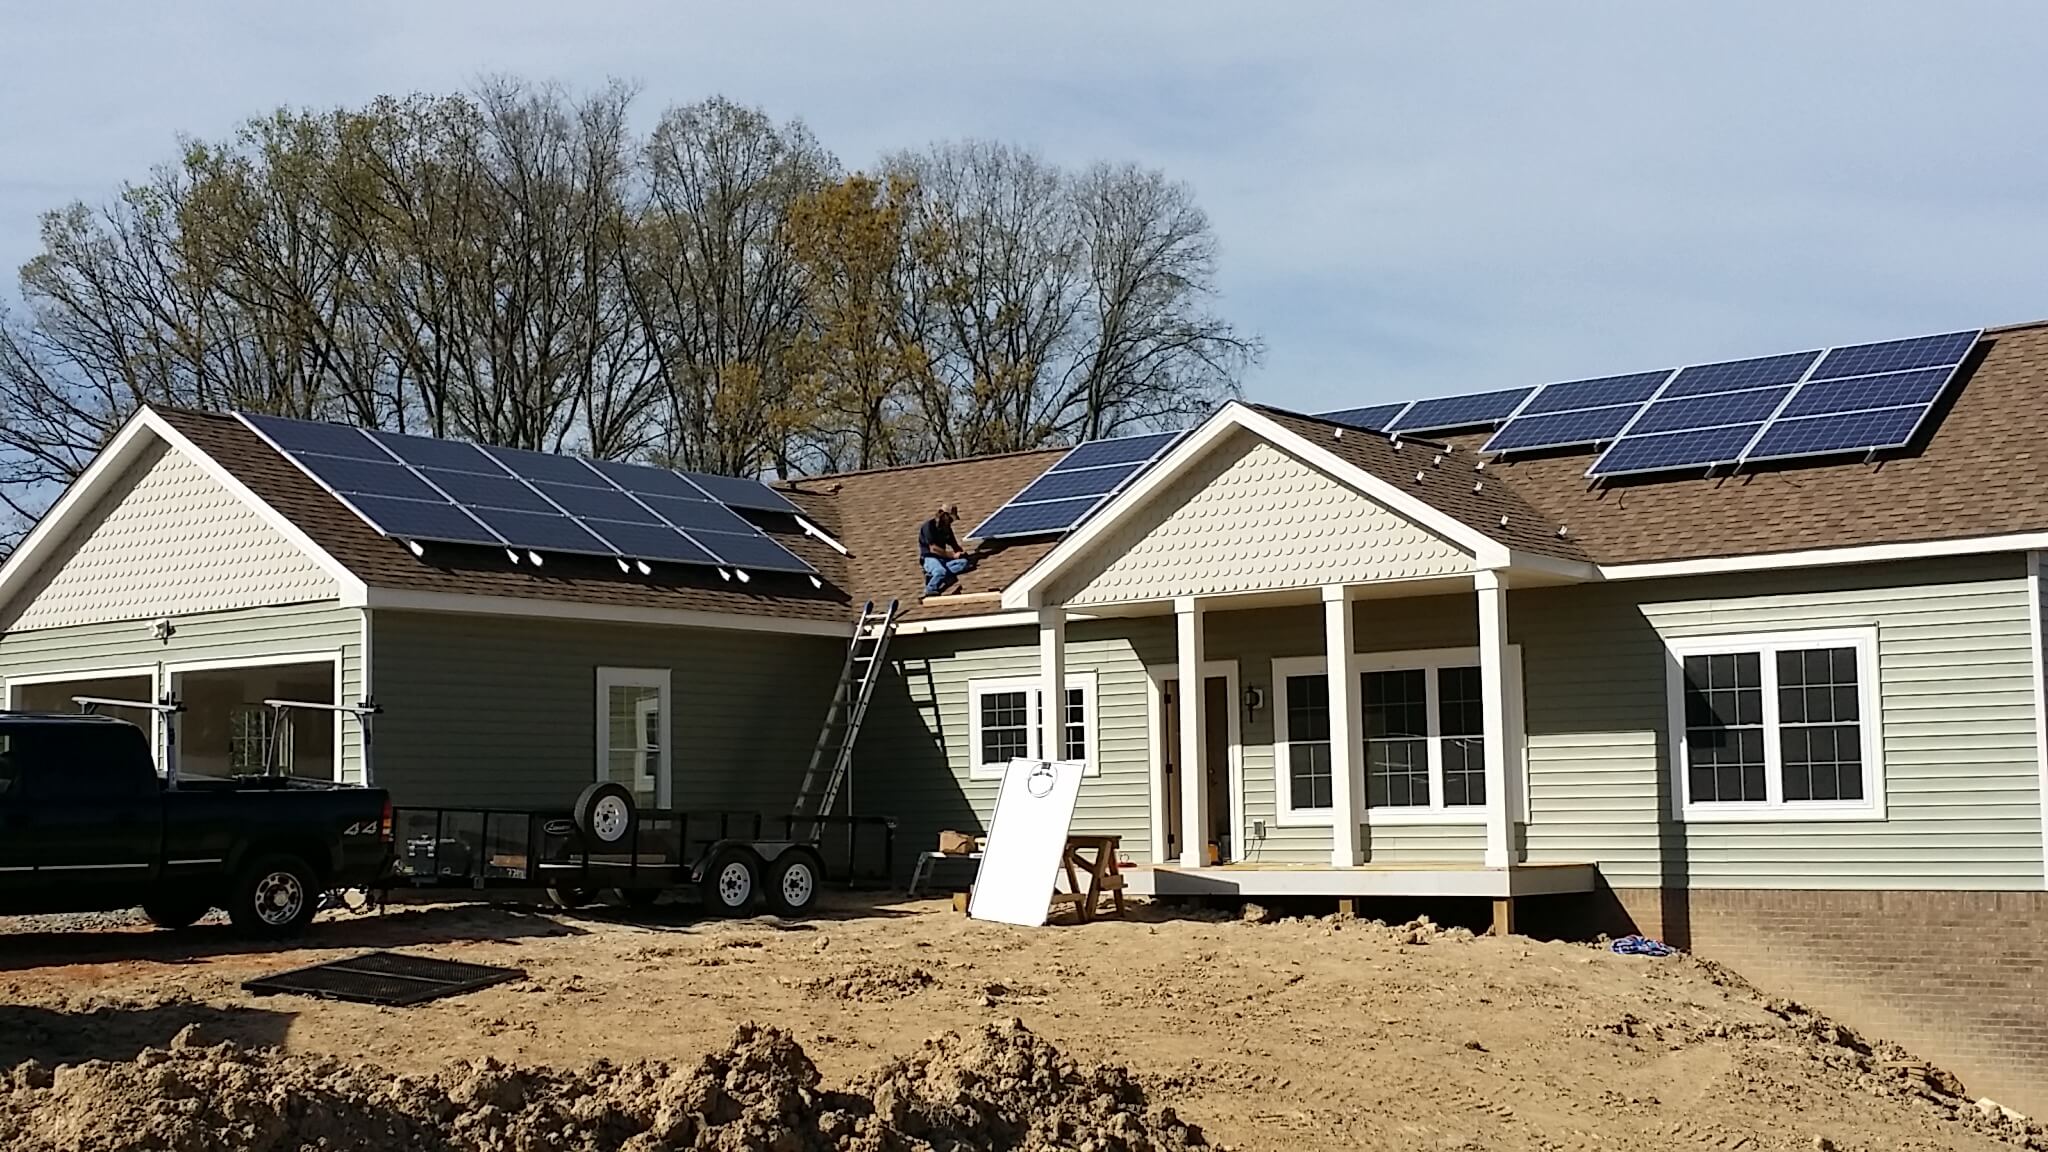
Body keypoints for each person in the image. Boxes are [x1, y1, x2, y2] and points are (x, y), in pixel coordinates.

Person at [919, 502, 976, 596]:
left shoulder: (947, 529)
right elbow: (933, 549)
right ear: (943, 515)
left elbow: (955, 546)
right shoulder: (929, 526)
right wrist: (953, 555)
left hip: (943, 560)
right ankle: (930, 589)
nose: (951, 521)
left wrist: (962, 554)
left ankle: (935, 575)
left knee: (964, 563)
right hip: (930, 558)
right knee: (940, 571)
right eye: (950, 518)